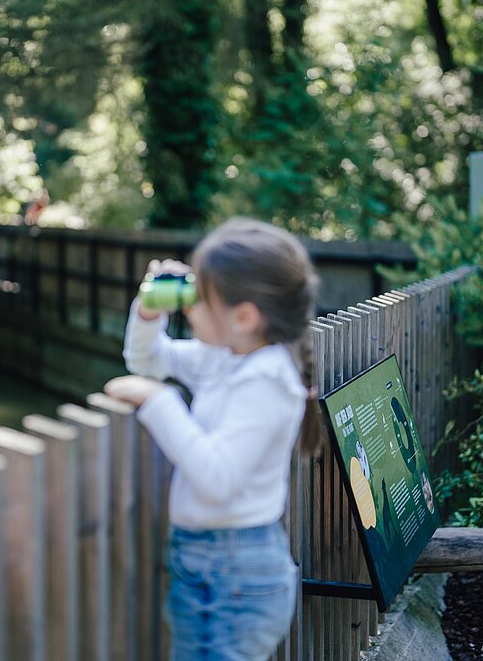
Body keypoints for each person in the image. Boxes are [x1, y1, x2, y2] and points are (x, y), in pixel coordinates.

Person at [104, 217, 321, 661]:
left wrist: (159, 402)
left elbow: (218, 477)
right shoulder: (226, 357)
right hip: (217, 569)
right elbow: (147, 360)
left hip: (231, 578)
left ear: (243, 317)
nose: (190, 307)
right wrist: (149, 310)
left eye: (201, 298)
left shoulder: (267, 379)